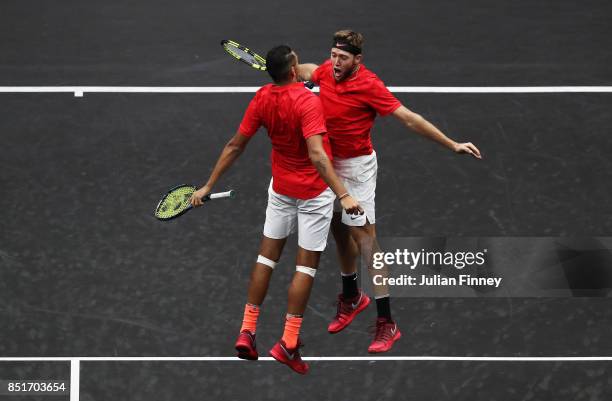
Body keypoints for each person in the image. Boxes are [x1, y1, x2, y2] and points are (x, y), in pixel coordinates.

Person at [297, 30, 482, 353]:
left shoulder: (370, 85)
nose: (336, 62)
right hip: (329, 165)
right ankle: (352, 297)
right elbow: (311, 70)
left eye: (343, 58)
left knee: (365, 240)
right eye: (334, 55)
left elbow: (410, 119)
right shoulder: (327, 70)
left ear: (358, 60)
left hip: (357, 170)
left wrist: (452, 144)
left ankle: (387, 322)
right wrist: (292, 67)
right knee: (339, 231)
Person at [190, 45, 362, 374]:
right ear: (294, 65)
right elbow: (316, 154)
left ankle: (247, 331)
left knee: (266, 259)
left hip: (280, 190)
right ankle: (288, 343)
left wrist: (208, 186)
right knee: (305, 268)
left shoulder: (262, 98)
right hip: (313, 194)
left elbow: (234, 145)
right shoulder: (309, 102)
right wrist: (342, 194)